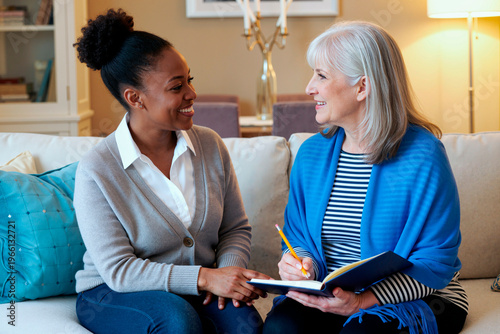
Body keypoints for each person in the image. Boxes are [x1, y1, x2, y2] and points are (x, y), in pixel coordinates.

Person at [262, 21, 468, 334]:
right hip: (334, 295)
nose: (309, 88)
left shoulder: (424, 156)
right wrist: (300, 264)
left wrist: (363, 301)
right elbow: (299, 238)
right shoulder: (311, 154)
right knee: (281, 328)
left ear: (362, 87)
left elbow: (435, 262)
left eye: (321, 76)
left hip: (420, 296)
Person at [72, 9, 270, 334]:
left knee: (245, 326)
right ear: (135, 98)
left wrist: (229, 278)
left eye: (189, 80)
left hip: (195, 289)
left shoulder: (210, 145)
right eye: (176, 87)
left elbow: (235, 229)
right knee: (178, 322)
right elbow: (119, 270)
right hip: (113, 292)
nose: (192, 93)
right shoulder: (97, 169)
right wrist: (206, 278)